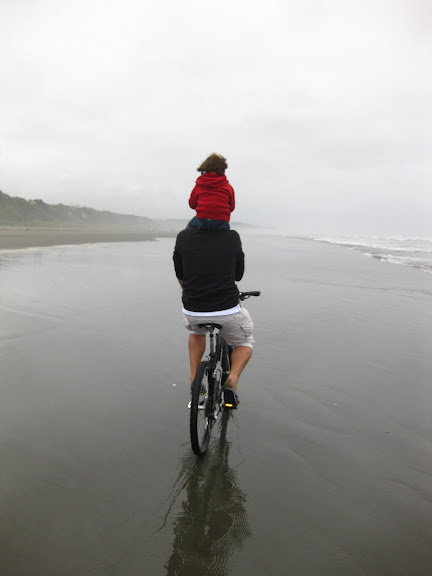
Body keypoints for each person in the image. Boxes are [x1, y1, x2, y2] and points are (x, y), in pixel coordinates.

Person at [173, 226, 254, 407]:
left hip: (193, 310)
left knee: (197, 332)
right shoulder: (232, 237)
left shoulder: (183, 237)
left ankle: (194, 376)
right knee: (244, 342)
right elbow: (238, 275)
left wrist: (188, 292)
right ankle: (232, 379)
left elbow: (180, 273)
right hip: (227, 310)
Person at [187, 153, 235, 231]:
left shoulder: (200, 184)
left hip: (202, 219)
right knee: (228, 234)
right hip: (221, 222)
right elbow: (231, 208)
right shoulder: (228, 187)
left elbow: (192, 205)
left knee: (188, 228)